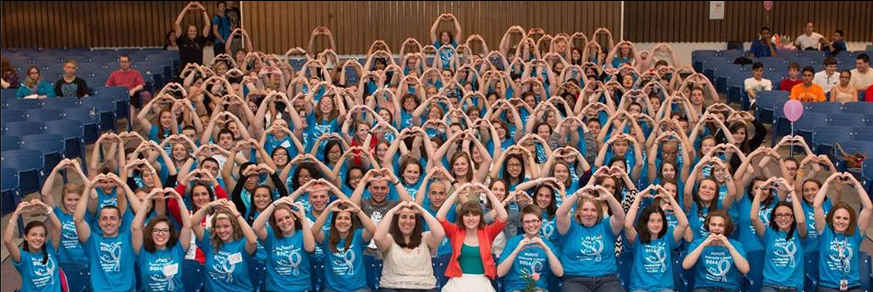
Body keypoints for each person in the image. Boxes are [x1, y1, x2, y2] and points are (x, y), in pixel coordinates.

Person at [74, 174, 140, 292]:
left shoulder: (129, 239)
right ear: (99, 222)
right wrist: (89, 187)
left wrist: (124, 185)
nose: (108, 222)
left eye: (112, 218)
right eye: (104, 219)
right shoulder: (92, 241)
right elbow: (77, 219)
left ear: (120, 222)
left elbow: (141, 214)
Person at [437, 183, 508, 292]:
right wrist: (456, 193)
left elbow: (503, 217)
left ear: (480, 217)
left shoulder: (488, 232)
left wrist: (488, 192)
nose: (471, 218)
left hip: (482, 283)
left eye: (475, 215)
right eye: (467, 215)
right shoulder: (455, 231)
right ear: (462, 217)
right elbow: (440, 217)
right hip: (457, 282)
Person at [556, 183, 627, 292]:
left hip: (607, 279)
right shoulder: (570, 227)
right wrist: (577, 194)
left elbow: (620, 216)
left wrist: (608, 196)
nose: (589, 214)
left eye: (593, 210)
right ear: (578, 212)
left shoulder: (606, 226)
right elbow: (560, 214)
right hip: (575, 279)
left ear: (598, 213)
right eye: (585, 210)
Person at [813, 172, 872, 292]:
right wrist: (828, 181)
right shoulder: (824, 232)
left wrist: (855, 182)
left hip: (853, 287)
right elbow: (817, 205)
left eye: (845, 218)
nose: (841, 221)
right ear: (831, 218)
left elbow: (868, 208)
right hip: (827, 287)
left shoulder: (856, 234)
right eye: (838, 217)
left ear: (850, 221)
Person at [624, 185, 689, 292]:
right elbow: (627, 225)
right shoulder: (638, 239)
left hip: (664, 288)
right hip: (640, 288)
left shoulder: (668, 238)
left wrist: (669, 197)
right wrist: (639, 197)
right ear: (646, 222)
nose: (656, 224)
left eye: (659, 221)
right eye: (652, 221)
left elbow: (684, 224)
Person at [373, 201, 446, 292]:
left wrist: (422, 211)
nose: (407, 221)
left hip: (425, 288)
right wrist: (392, 212)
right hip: (392, 287)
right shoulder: (389, 239)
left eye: (412, 217)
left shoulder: (425, 238)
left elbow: (440, 234)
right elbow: (377, 238)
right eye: (403, 217)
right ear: (396, 220)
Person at [750, 178, 807, 292]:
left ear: (792, 218)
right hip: (770, 286)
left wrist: (791, 191)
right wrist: (761, 188)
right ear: (774, 219)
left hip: (793, 287)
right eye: (779, 215)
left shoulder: (799, 234)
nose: (783, 218)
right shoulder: (769, 234)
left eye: (787, 214)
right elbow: (753, 217)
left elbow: (800, 221)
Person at [191, 198, 259, 292]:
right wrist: (209, 205)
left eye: (226, 226)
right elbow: (193, 223)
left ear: (234, 226)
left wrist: (236, 214)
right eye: (218, 227)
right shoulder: (210, 241)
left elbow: (253, 241)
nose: (222, 231)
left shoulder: (242, 244)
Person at [131, 189, 192, 292]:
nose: (160, 234)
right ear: (150, 232)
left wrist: (178, 198)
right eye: (156, 230)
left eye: (165, 230)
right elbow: (135, 228)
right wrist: (147, 199)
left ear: (170, 233)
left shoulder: (178, 249)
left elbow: (187, 225)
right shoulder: (143, 252)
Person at [252, 196, 316, 292]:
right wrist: (274, 204)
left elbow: (310, 248)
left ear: (294, 217)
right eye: (280, 220)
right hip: (275, 289)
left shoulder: (303, 234)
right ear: (276, 223)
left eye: (287, 217)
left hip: (301, 288)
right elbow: (256, 227)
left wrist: (303, 218)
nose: (284, 222)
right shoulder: (271, 236)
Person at [311, 199, 378, 292]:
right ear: (334, 222)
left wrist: (357, 210)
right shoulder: (327, 237)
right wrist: (328, 210)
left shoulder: (358, 236)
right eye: (339, 218)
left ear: (351, 223)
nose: (343, 221)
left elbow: (372, 230)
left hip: (358, 288)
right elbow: (314, 231)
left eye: (347, 218)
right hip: (332, 289)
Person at [497, 204, 564, 292]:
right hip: (515, 288)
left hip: (539, 288)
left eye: (534, 221)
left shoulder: (548, 244)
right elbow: (500, 272)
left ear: (541, 222)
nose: (531, 225)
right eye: (527, 222)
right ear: (522, 224)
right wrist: (516, 251)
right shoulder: (513, 242)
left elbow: (559, 273)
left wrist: (546, 249)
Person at [681, 210, 750, 292]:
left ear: (726, 227)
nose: (716, 228)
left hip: (729, 288)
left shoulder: (735, 245)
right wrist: (703, 245)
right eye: (713, 224)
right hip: (703, 287)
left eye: (721, 225)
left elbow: (745, 269)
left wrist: (730, 247)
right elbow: (686, 265)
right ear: (708, 225)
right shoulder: (698, 243)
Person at [4, 200, 63, 292]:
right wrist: (16, 214)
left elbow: (58, 227)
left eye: (42, 235)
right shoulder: (23, 257)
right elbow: (8, 241)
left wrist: (46, 208)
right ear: (25, 237)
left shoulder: (51, 250)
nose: (38, 238)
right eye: (34, 234)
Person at [174, 1, 211, 68]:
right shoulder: (182, 40)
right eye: (190, 31)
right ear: (187, 32)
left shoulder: (200, 41)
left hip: (198, 70)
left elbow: (208, 25)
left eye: (194, 31)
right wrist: (186, 9)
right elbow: (177, 24)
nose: (193, 32)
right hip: (186, 71)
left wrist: (203, 9)